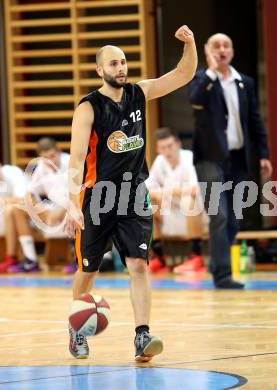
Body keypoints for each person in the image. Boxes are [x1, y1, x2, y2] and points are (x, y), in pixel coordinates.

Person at [65, 25, 197, 361]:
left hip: (135, 194)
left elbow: (183, 74)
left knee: (138, 264)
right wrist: (71, 203)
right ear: (100, 70)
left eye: (123, 62)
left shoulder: (139, 93)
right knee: (88, 270)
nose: (120, 68)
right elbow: (77, 161)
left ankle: (142, 336)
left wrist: (190, 43)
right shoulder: (89, 107)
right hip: (97, 197)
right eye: (113, 64)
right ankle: (76, 329)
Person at [189, 33, 272, 289]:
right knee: (219, 215)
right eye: (216, 46)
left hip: (238, 158)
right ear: (206, 50)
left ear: (232, 51)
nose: (221, 50)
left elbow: (255, 121)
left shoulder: (243, 82)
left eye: (226, 45)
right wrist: (212, 73)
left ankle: (217, 265)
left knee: (234, 218)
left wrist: (264, 154)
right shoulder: (202, 80)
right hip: (209, 159)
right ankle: (222, 274)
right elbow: (195, 100)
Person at [146, 127, 207, 274]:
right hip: (171, 217)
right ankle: (159, 258)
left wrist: (165, 192)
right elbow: (146, 188)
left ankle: (196, 257)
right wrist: (156, 194)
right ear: (158, 149)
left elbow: (193, 190)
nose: (167, 151)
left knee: (188, 200)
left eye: (170, 146)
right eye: (163, 147)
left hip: (196, 216)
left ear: (178, 145)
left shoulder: (189, 158)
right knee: (148, 203)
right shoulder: (160, 161)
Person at [10, 137, 72, 273]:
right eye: (46, 158)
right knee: (17, 209)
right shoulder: (42, 167)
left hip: (72, 207)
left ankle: (80, 259)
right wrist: (45, 212)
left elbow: (79, 192)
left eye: (52, 156)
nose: (50, 161)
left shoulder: (71, 162)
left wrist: (60, 212)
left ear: (59, 151)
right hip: (53, 211)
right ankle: (31, 260)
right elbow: (30, 193)